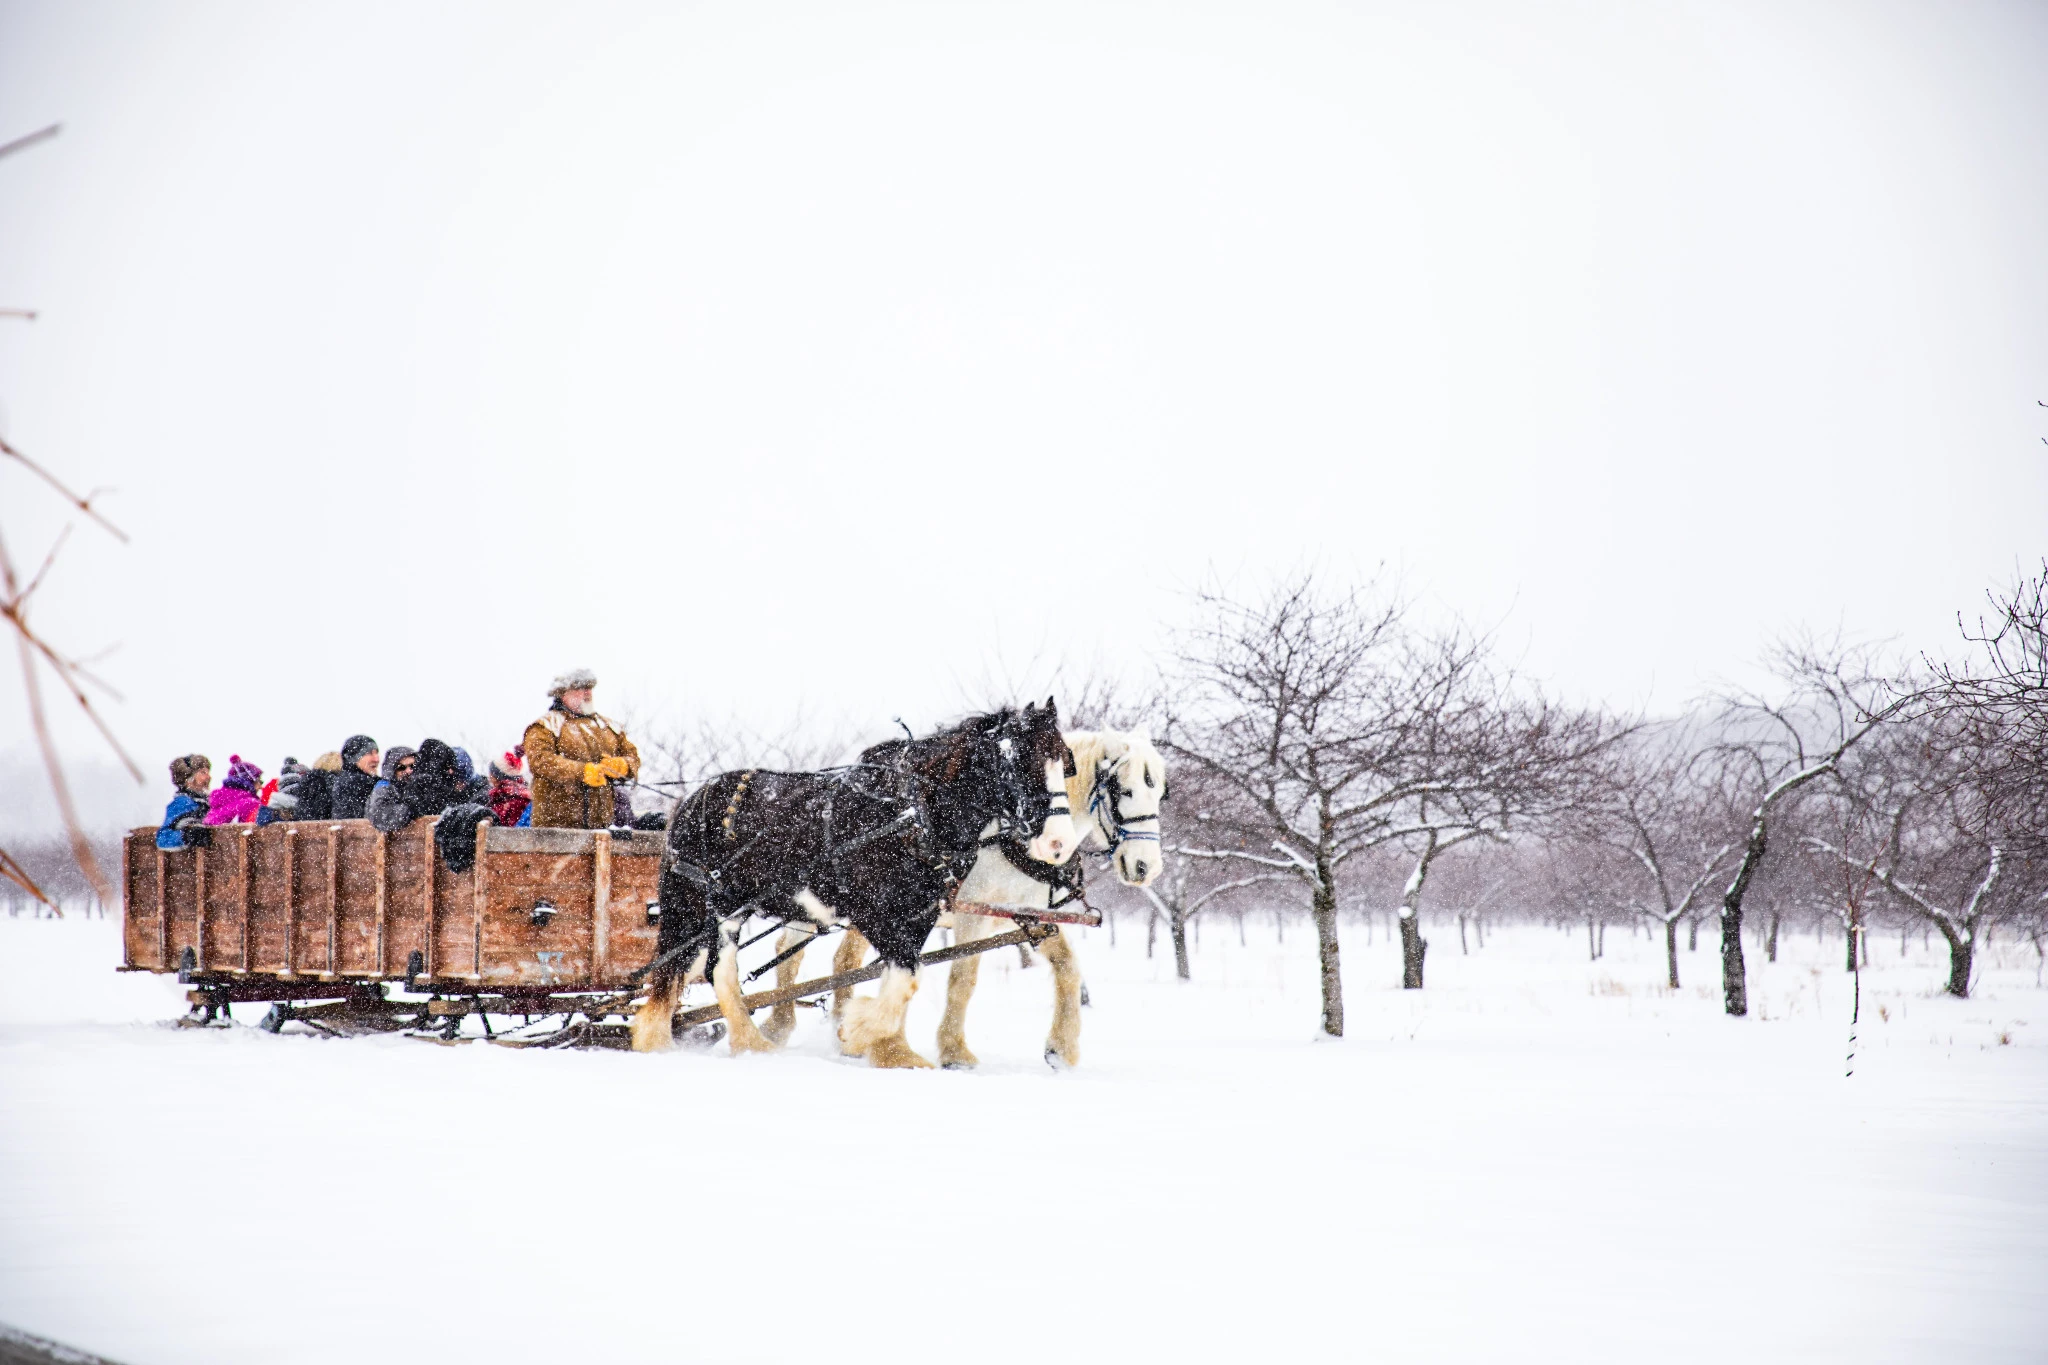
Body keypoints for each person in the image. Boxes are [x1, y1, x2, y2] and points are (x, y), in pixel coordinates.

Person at [523, 668, 640, 829]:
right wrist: (583, 771)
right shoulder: (545, 726)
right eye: (580, 688)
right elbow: (541, 761)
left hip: (603, 827)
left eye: (590, 688)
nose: (588, 693)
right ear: (563, 693)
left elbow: (632, 755)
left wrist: (623, 765)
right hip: (556, 829)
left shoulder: (608, 727)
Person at [156, 755, 213, 850]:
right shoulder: (182, 803)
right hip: (192, 861)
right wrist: (187, 836)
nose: (209, 777)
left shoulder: (208, 801)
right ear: (189, 779)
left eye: (208, 772)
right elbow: (162, 839)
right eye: (203, 772)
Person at [363, 745, 417, 831]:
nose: (408, 771)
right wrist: (411, 808)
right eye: (401, 768)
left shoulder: (420, 786)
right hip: (397, 842)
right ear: (392, 770)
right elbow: (380, 817)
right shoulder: (384, 787)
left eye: (413, 766)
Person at [331, 735, 380, 820]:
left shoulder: (368, 781)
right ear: (354, 759)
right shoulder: (355, 783)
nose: (376, 759)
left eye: (377, 753)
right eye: (369, 753)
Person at [205, 755, 264, 825]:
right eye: (260, 782)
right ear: (249, 781)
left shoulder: (218, 802)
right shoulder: (250, 804)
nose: (261, 787)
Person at [487, 747, 532, 827]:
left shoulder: (515, 800)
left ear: (498, 777)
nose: (489, 777)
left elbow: (510, 830)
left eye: (491, 774)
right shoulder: (501, 797)